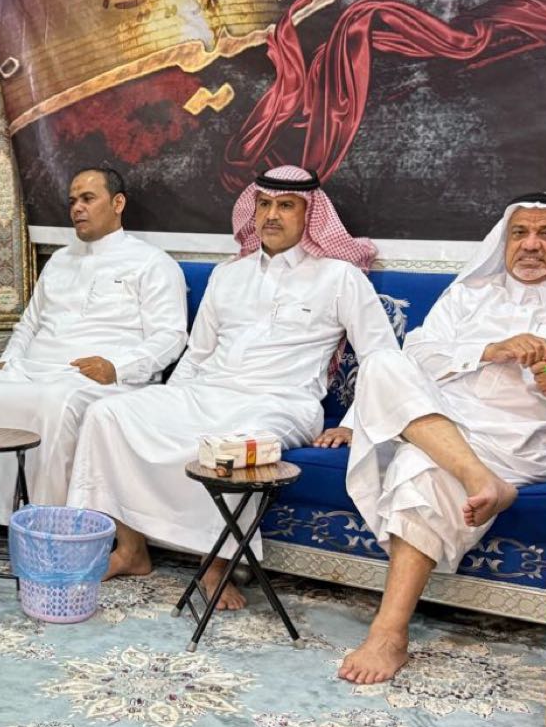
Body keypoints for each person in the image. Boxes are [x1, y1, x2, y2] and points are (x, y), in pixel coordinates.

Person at [67, 165, 399, 602]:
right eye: (264, 204)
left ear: (309, 214)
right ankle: (130, 549)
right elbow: (197, 354)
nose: (271, 215)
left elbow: (382, 356)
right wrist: (167, 401)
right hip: (207, 392)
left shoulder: (340, 278)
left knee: (233, 444)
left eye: (286, 206)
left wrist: (352, 423)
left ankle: (219, 564)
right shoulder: (228, 274)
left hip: (280, 403)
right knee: (107, 413)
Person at [324, 193, 546, 684]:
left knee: (417, 467)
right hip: (448, 426)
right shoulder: (470, 294)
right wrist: (489, 349)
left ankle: (388, 634)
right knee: (383, 363)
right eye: (520, 233)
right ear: (504, 242)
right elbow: (419, 353)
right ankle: (479, 479)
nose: (530, 245)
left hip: (525, 444)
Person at [0, 168, 188, 524]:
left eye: (88, 199)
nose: (77, 208)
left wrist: (117, 368)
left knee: (57, 404)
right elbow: (29, 323)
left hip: (101, 380)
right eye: (72, 201)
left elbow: (171, 336)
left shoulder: (153, 263)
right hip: (30, 371)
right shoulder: (59, 260)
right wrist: (8, 360)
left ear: (118, 203)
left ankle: (51, 524)